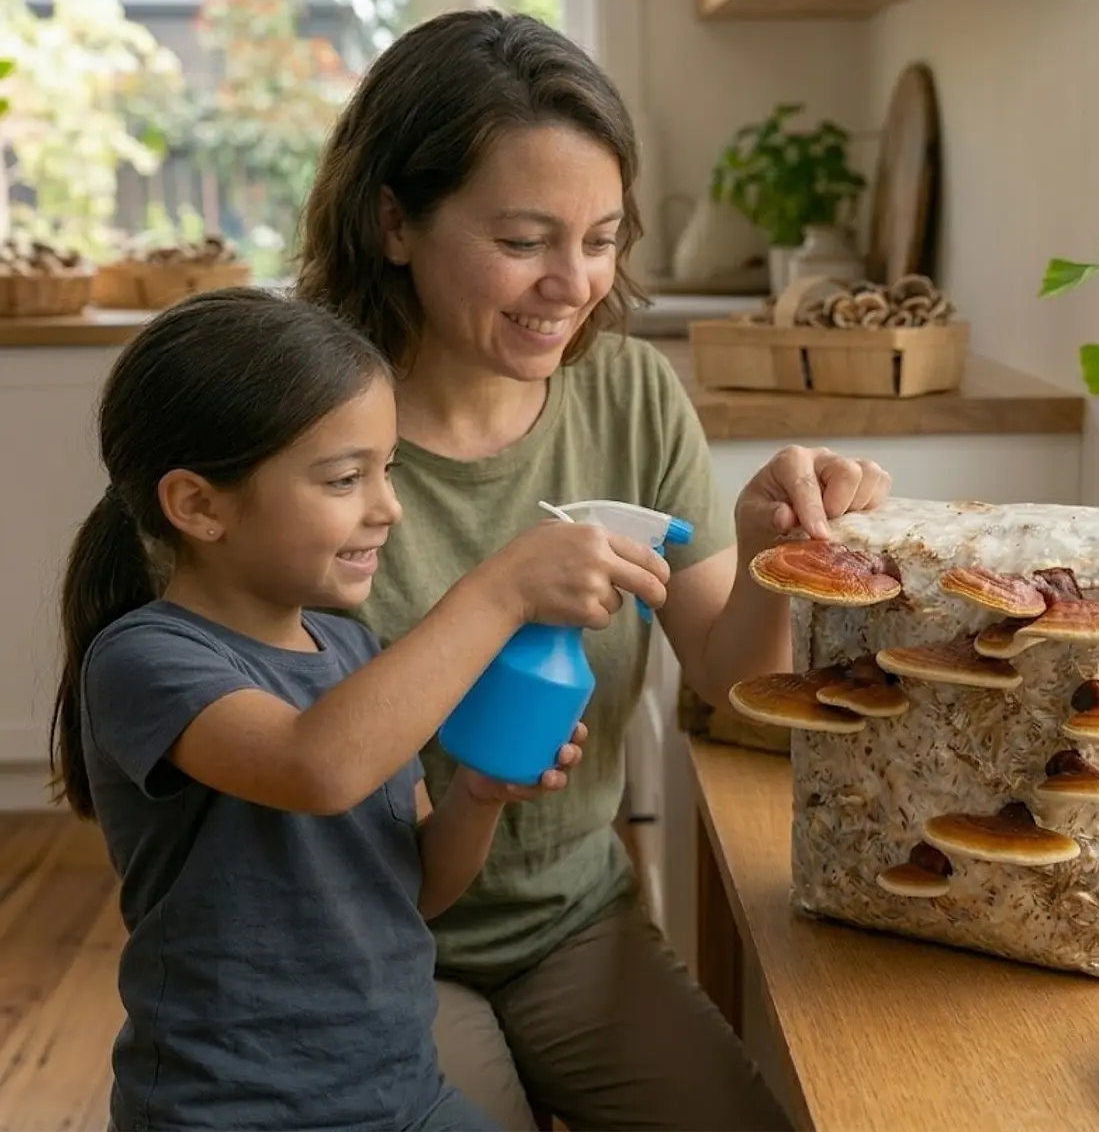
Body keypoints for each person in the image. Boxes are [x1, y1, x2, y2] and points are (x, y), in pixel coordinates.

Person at [294, 8, 894, 1132]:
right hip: (370, 940)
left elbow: (723, 668)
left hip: (576, 922)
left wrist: (770, 553)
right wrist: (503, 592)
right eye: (522, 240)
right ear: (394, 222)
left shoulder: (628, 392)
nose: (571, 283)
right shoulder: (300, 427)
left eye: (602, 237)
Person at [48, 287, 671, 1132]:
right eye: (346, 478)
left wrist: (479, 794)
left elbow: (414, 890)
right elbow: (316, 766)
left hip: (399, 1093)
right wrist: (502, 587)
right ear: (198, 505)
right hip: (226, 1112)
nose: (387, 507)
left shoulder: (350, 652)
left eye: (388, 470)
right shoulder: (147, 659)